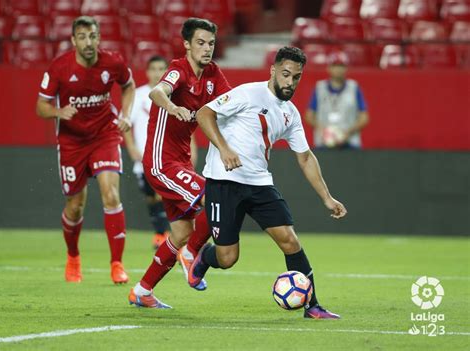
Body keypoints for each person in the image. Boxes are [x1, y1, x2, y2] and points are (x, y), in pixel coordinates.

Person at [189, 46, 347, 319]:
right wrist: (224, 149)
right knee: (227, 258)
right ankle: (204, 257)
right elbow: (204, 113)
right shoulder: (248, 93)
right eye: (285, 74)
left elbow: (306, 158)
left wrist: (327, 198)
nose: (290, 82)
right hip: (224, 181)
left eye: (296, 77)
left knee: (290, 240)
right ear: (273, 70)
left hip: (260, 183)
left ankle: (312, 306)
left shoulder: (291, 114)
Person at [128, 18, 231, 308]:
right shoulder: (178, 70)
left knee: (182, 232)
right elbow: (156, 91)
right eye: (200, 42)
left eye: (211, 43)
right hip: (161, 162)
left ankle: (142, 290)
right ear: (187, 44)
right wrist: (173, 107)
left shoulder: (212, 73)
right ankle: (191, 254)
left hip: (182, 163)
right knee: (216, 196)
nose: (207, 48)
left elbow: (232, 102)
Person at [36, 16, 135, 284]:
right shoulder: (59, 67)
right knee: (76, 206)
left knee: (111, 193)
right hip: (72, 143)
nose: (88, 42)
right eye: (82, 37)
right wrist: (59, 111)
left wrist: (126, 114)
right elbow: (40, 106)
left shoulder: (112, 61)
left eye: (92, 36)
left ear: (99, 37)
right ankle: (73, 257)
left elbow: (128, 86)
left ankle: (117, 264)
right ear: (73, 40)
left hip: (105, 135)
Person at [123, 56, 171, 249]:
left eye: (161, 68)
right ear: (147, 72)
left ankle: (166, 234)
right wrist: (131, 147)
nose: (157, 73)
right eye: (154, 69)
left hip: (166, 157)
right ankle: (160, 233)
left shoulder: (173, 95)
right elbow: (126, 122)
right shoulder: (138, 94)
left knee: (162, 194)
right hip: (143, 157)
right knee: (151, 197)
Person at [305, 52, 369, 149]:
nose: (338, 69)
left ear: (346, 68)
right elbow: (309, 116)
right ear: (329, 68)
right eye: (335, 66)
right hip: (324, 143)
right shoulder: (320, 88)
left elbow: (364, 117)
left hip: (350, 143)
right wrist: (322, 129)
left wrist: (349, 132)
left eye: (341, 66)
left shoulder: (354, 88)